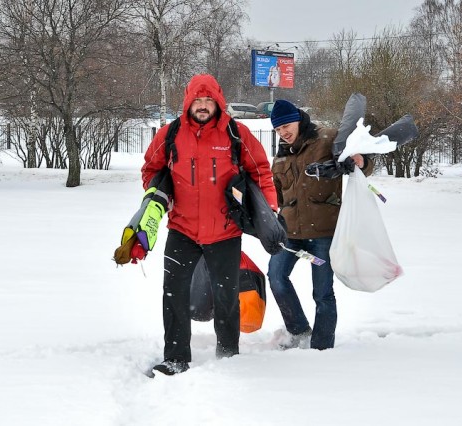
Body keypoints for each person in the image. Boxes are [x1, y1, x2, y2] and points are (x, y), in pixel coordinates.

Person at [141, 74, 278, 375]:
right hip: (182, 229)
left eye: (208, 101)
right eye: (197, 101)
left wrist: (267, 210)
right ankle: (176, 357)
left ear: (218, 102)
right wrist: (157, 197)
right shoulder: (171, 134)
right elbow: (151, 169)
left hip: (225, 231)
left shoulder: (236, 133)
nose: (203, 106)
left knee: (226, 296)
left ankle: (228, 354)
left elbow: (261, 172)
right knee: (173, 293)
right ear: (188, 102)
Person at [268, 99, 373, 350]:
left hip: (323, 234)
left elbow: (364, 165)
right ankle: (299, 330)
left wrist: (359, 161)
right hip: (290, 234)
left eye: (286, 125)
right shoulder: (281, 156)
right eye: (278, 129)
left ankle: (322, 347)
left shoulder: (328, 139)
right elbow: (277, 196)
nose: (283, 132)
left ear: (299, 119)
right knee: (276, 277)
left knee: (322, 292)